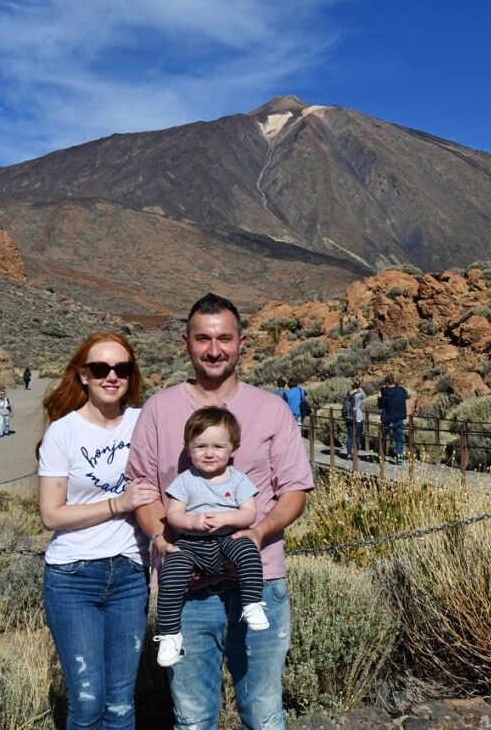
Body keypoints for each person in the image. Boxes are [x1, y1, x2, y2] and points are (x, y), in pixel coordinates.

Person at [127, 292, 314, 730]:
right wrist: (161, 540)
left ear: (241, 342)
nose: (214, 349)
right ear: (186, 343)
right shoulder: (159, 410)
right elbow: (144, 489)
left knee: (264, 712)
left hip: (259, 581)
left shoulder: (270, 409)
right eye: (203, 339)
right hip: (186, 591)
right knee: (192, 718)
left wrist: (258, 532)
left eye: (224, 338)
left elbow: (294, 491)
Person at [37, 333, 161, 730]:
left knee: (122, 706)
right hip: (73, 578)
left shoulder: (146, 422)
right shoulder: (64, 432)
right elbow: (51, 515)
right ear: (83, 375)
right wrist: (117, 504)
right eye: (100, 368)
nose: (112, 376)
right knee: (88, 704)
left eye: (122, 368)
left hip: (129, 575)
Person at [154, 407, 267, 668]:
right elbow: (173, 514)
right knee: (170, 576)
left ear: (233, 448)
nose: (209, 453)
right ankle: (170, 635)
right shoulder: (185, 481)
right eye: (200, 446)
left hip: (228, 539)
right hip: (191, 545)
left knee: (249, 551)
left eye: (218, 446)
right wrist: (192, 521)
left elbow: (250, 513)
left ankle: (251, 603)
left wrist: (227, 519)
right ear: (188, 447)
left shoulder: (238, 480)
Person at [379, 375, 409, 463]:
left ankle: (382, 455)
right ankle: (399, 459)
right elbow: (405, 397)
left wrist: (380, 397)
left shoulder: (384, 392)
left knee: (383, 436)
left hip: (387, 418)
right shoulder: (402, 390)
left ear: (387, 383)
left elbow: (381, 406)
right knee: (399, 438)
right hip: (398, 417)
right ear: (394, 381)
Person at [341, 379, 366, 459]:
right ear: (359, 385)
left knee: (350, 436)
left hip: (348, 416)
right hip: (357, 416)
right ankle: (355, 454)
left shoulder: (346, 393)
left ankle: (348, 454)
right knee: (358, 436)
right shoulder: (359, 394)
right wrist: (360, 388)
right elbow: (365, 396)